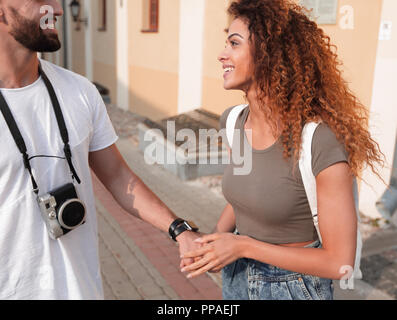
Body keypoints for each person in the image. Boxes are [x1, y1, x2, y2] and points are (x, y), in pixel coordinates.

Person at [181, 0, 385, 300]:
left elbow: (339, 262)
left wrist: (242, 246)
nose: (221, 54)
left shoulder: (319, 141)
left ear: (269, 55)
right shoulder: (233, 121)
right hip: (237, 275)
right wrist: (212, 244)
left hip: (293, 287)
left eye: (234, 43)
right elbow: (244, 196)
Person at [0, 0, 199, 299]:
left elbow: (119, 175)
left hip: (83, 290)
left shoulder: (81, 91)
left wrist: (178, 230)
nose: (56, 9)